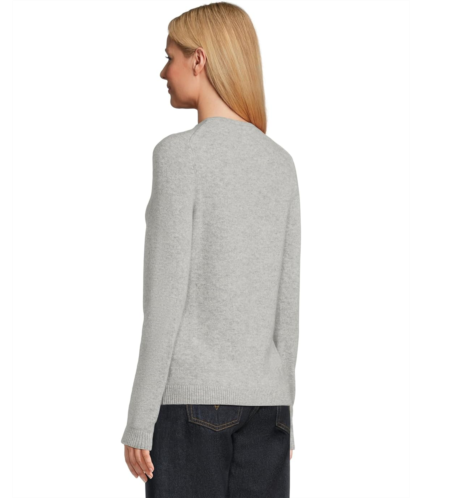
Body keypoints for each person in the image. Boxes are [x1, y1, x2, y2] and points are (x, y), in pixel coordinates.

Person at [121, 2, 301, 497]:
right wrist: (287, 412)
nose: (164, 72)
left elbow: (165, 300)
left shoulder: (179, 156)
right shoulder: (280, 163)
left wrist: (139, 419)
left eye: (170, 57)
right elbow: (287, 308)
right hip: (269, 408)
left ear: (198, 59)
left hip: (190, 407)